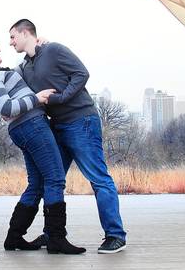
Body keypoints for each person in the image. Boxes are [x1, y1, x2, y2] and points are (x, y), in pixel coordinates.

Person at [9, 19, 127, 254]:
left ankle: (115, 235)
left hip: (81, 121)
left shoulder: (54, 50)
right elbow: (9, 79)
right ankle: (53, 234)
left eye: (13, 37)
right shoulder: (25, 66)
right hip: (56, 126)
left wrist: (62, 98)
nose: (10, 42)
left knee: (98, 178)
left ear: (25, 33)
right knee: (51, 180)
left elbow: (81, 74)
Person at [0, 38, 85, 255]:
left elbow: (22, 69)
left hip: (27, 127)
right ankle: (56, 238)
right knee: (55, 178)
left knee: (36, 184)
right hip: (31, 126)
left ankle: (15, 237)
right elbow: (7, 107)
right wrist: (37, 99)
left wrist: (38, 48)